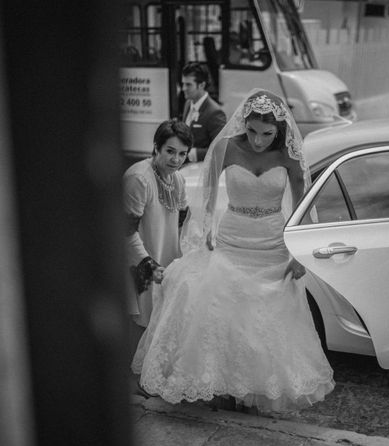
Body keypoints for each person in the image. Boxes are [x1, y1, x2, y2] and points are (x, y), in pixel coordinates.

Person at [132, 89, 335, 413]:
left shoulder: (289, 156)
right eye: (252, 131)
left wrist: (300, 254)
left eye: (266, 134)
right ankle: (221, 385)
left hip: (272, 245)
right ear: (244, 123)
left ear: (279, 130)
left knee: (264, 318)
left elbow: (303, 207)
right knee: (218, 304)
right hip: (231, 238)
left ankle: (255, 386)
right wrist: (206, 227)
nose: (257, 140)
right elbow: (209, 191)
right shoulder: (227, 147)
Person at [123, 120, 193, 352]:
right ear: (156, 147)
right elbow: (127, 232)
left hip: (166, 265)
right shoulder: (139, 179)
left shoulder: (178, 179)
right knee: (141, 330)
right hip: (140, 264)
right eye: (170, 151)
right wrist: (149, 265)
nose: (176, 160)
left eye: (182, 154)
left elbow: (182, 219)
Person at [180, 62, 227, 163]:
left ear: (202, 85)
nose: (183, 88)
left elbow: (221, 150)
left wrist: (192, 154)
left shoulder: (215, 113)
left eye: (188, 84)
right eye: (183, 84)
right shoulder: (188, 103)